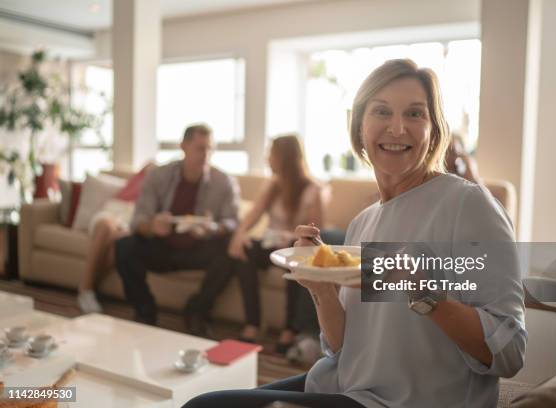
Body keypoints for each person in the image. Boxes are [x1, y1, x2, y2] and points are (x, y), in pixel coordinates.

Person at [183, 59, 526, 407]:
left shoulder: (468, 204)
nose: (396, 128)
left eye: (414, 114)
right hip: (344, 384)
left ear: (434, 131)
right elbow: (342, 346)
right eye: (381, 112)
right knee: (201, 404)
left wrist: (425, 294)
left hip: (404, 402)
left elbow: (510, 353)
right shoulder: (363, 222)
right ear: (359, 126)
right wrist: (321, 288)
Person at [115, 124, 240, 333]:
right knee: (124, 246)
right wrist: (153, 226)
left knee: (230, 250)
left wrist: (213, 228)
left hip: (199, 248)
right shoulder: (158, 175)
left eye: (210, 149)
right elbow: (138, 221)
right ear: (183, 146)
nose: (206, 155)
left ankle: (197, 309)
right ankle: (145, 311)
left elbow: (233, 221)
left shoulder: (225, 182)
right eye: (200, 148)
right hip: (162, 247)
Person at [225, 134, 324, 351]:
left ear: (284, 158)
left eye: (271, 153)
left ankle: (289, 329)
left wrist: (292, 238)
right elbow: (253, 215)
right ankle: (253, 323)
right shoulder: (272, 186)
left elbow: (316, 231)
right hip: (271, 244)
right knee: (245, 253)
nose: (267, 158)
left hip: (294, 246)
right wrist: (239, 235)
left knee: (295, 262)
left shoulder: (312, 189)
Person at [77, 206, 130, 313]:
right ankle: (85, 289)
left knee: (115, 247)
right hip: (108, 216)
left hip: (127, 226)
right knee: (105, 226)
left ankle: (89, 289)